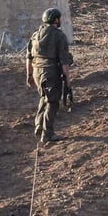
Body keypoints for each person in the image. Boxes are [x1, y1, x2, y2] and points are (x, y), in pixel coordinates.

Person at [26, 8, 74, 144]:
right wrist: (68, 83)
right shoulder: (59, 36)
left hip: (37, 72)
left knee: (44, 97)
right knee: (53, 102)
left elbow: (28, 58)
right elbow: (65, 62)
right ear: (56, 20)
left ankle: (39, 126)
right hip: (51, 72)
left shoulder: (35, 35)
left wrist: (29, 75)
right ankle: (48, 134)